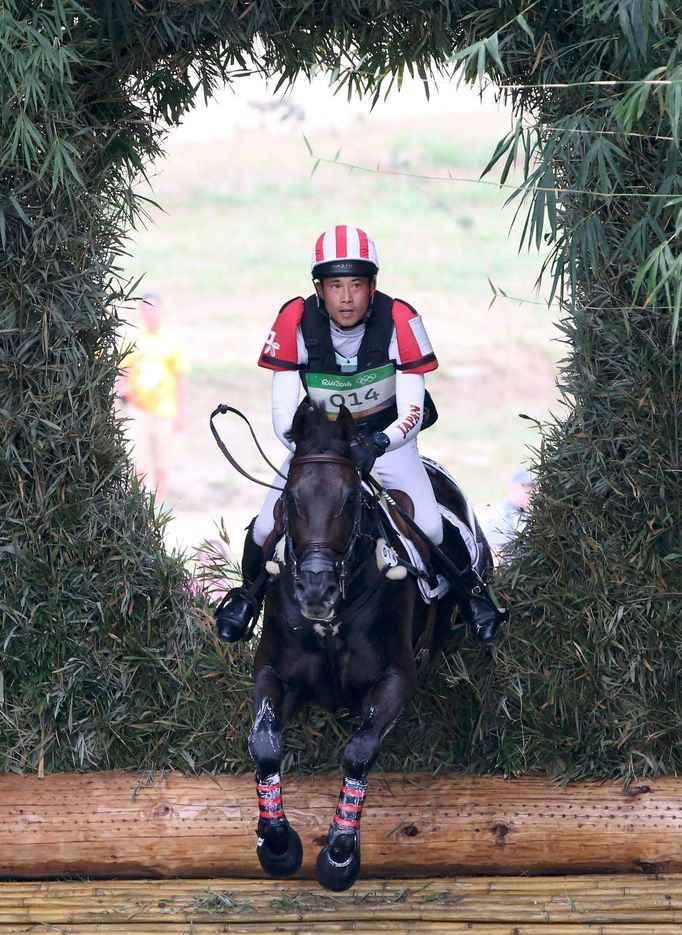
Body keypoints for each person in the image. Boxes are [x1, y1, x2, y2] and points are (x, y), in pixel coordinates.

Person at [216, 225, 505, 643]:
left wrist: (379, 444)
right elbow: (282, 420)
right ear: (319, 288)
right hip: (319, 450)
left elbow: (412, 410)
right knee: (264, 526)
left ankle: (472, 598)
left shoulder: (399, 320)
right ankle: (247, 600)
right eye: (335, 285)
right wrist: (324, 452)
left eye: (356, 284)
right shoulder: (294, 321)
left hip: (388, 444)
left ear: (373, 287)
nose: (346, 297)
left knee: (430, 524)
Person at [116, 293, 189, 505]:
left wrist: (182, 412)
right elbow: (123, 371)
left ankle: (158, 506)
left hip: (165, 410)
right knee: (138, 462)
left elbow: (181, 377)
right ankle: (137, 504)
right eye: (146, 308)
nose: (150, 313)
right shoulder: (134, 339)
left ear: (161, 310)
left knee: (162, 464)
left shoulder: (172, 340)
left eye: (153, 308)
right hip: (139, 409)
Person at [487, 467, 537, 561]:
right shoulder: (500, 515)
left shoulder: (533, 514)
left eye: (532, 486)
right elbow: (495, 555)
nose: (529, 491)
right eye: (524, 485)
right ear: (512, 487)